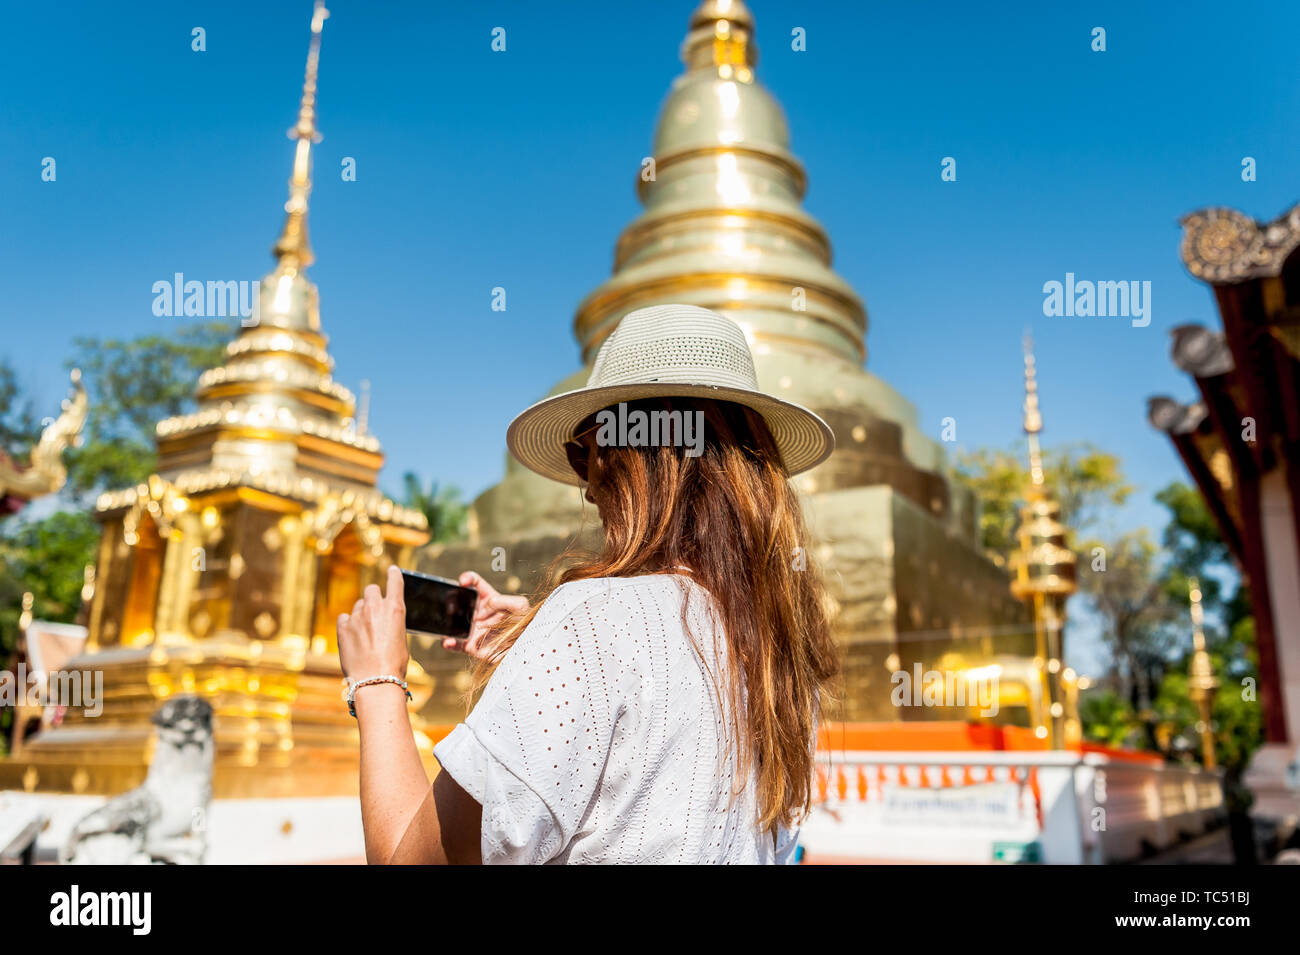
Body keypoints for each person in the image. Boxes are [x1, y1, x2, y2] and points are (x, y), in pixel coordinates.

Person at [337, 303, 839, 864]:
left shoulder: (590, 621)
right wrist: (543, 647)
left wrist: (376, 682)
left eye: (584, 454)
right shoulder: (783, 663)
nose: (586, 487)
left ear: (632, 452)